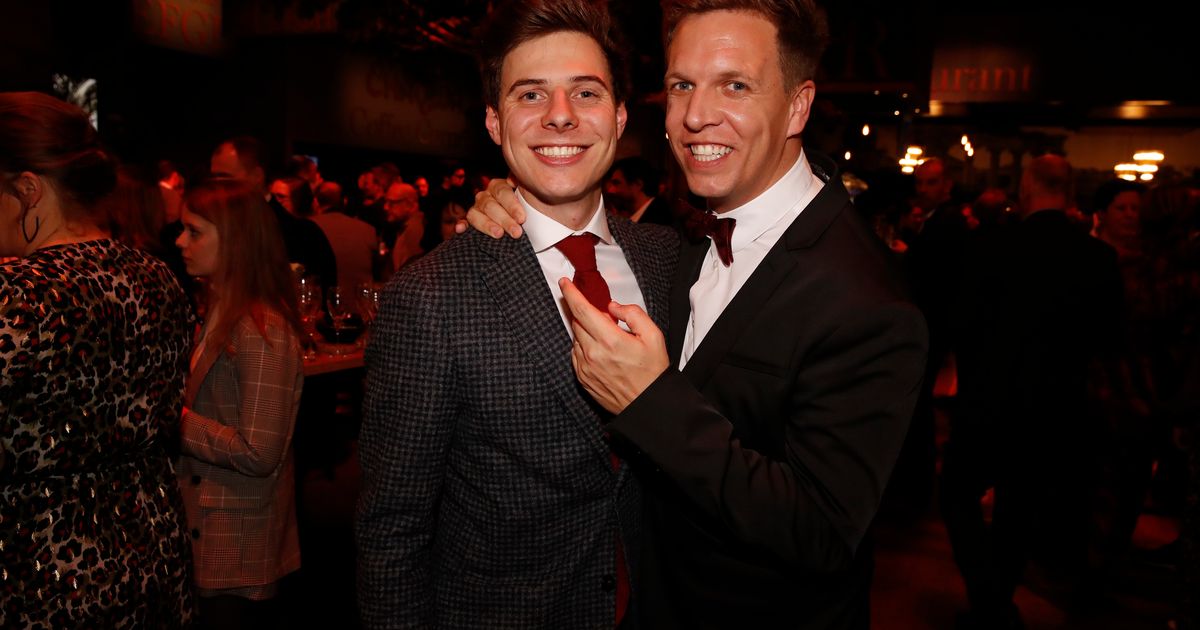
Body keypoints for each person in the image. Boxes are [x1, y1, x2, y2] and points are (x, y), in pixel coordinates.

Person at [467, 0, 928, 626]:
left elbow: (822, 532)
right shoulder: (676, 242)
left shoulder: (867, 300)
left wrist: (650, 401)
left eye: (734, 85)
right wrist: (517, 200)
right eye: (682, 85)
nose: (695, 116)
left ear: (798, 106)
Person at [354, 1, 679, 627]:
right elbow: (392, 529)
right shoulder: (429, 296)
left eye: (585, 92)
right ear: (494, 122)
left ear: (618, 117)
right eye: (530, 95)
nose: (560, 114)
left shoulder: (668, 259)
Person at [0, 91, 195, 627]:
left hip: (41, 574)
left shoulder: (17, 295)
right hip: (152, 553)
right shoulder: (157, 276)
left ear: (28, 190)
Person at [175, 177, 305, 629]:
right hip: (211, 530)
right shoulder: (217, 308)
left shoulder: (260, 327)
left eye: (194, 231)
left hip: (238, 543)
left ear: (235, 241)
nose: (180, 242)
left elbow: (259, 450)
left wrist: (174, 420)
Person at [210, 137, 337, 289]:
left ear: (256, 177)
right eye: (213, 177)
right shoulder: (209, 226)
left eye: (224, 177)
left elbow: (319, 294)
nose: (215, 185)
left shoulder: (302, 235)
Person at [604, 156, 675, 225]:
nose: (610, 190)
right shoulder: (646, 215)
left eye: (616, 183)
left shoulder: (657, 220)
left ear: (638, 184)